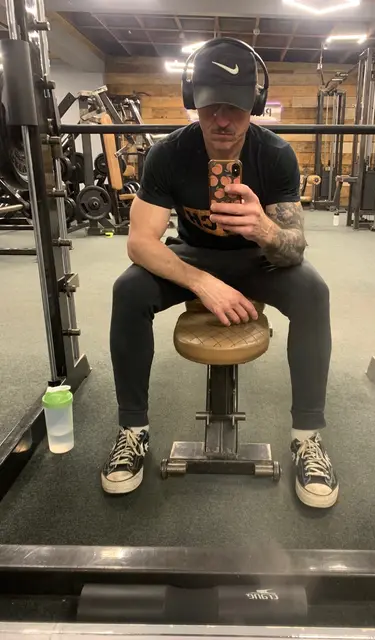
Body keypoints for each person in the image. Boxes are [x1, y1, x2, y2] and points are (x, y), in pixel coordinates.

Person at [103, 38, 338, 509]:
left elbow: (294, 249)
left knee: (313, 290)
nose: (223, 121)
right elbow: (140, 242)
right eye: (212, 107)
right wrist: (201, 282)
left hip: (256, 259)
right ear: (194, 102)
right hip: (193, 257)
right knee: (128, 289)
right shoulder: (169, 154)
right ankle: (133, 430)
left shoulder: (275, 155)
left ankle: (307, 438)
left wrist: (264, 229)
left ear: (254, 105)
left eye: (235, 108)